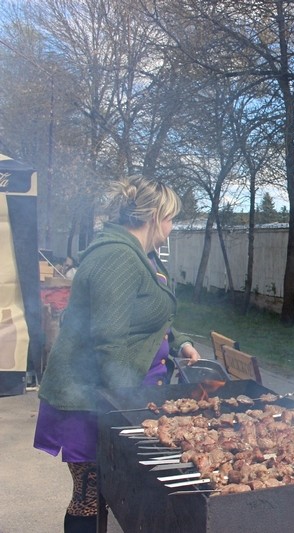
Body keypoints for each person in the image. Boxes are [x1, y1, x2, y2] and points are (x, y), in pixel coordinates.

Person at [34, 175, 200, 533]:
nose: (171, 228)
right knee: (90, 495)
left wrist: (180, 340)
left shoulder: (143, 256)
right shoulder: (117, 257)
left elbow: (153, 314)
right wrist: (131, 405)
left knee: (118, 494)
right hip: (93, 399)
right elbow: (108, 341)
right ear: (154, 216)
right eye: (171, 218)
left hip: (118, 396)